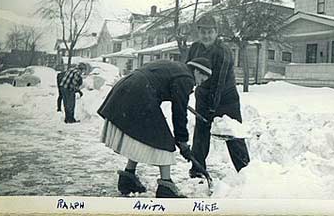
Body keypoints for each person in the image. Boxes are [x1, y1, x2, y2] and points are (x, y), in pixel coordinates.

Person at [97, 58, 212, 198]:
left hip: (128, 86)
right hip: (139, 92)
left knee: (141, 135)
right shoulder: (186, 78)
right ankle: (166, 186)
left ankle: (128, 178)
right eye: (202, 77)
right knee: (163, 140)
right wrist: (182, 141)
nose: (201, 83)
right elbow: (179, 112)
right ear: (196, 70)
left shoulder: (178, 68)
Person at [186, 14, 250, 178]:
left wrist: (213, 107)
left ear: (216, 32)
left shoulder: (223, 51)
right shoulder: (194, 48)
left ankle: (245, 171)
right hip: (203, 95)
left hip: (226, 99)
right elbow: (188, 71)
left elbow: (219, 82)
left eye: (210, 32)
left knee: (232, 133)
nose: (206, 36)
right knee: (201, 133)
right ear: (198, 33)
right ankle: (197, 169)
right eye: (203, 32)